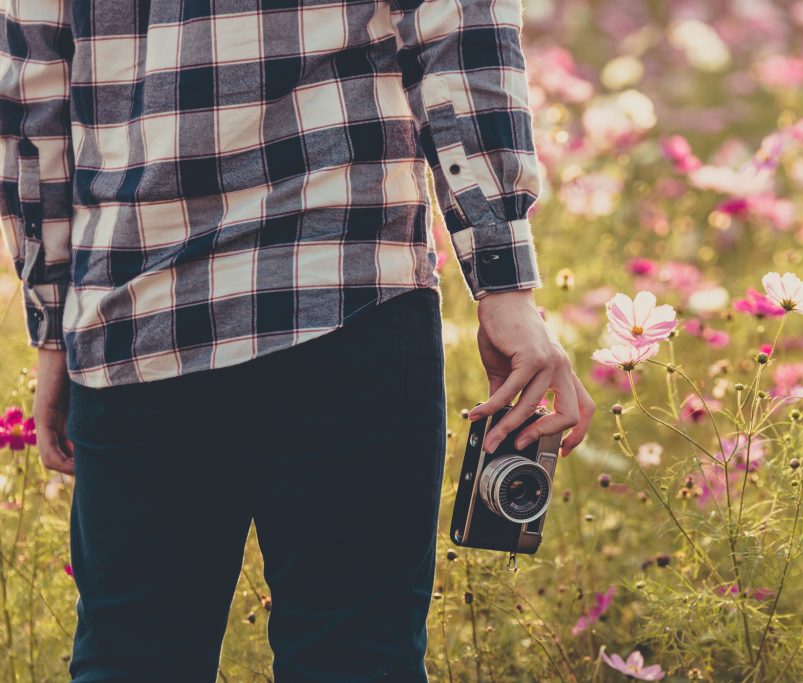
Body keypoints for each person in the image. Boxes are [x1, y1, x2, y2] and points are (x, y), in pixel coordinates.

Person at [0, 0, 595, 680]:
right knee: (355, 657)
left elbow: (32, 87)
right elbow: (458, 21)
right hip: (345, 285)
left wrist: (53, 326)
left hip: (139, 314)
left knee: (134, 657)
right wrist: (504, 281)